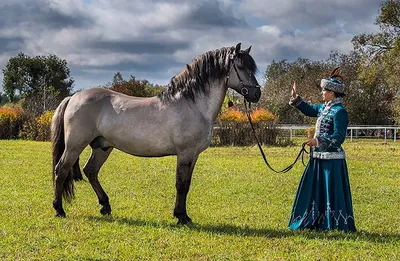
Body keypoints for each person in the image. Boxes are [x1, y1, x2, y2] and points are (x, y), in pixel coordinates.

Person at [287, 67, 356, 232]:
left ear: (332, 93)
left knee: (330, 192)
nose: (322, 93)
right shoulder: (324, 108)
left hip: (332, 161)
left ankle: (333, 222)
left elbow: (339, 138)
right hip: (318, 158)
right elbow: (310, 109)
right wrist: (296, 99)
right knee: (315, 190)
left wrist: (318, 141)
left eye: (324, 90)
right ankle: (315, 219)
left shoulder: (340, 112)